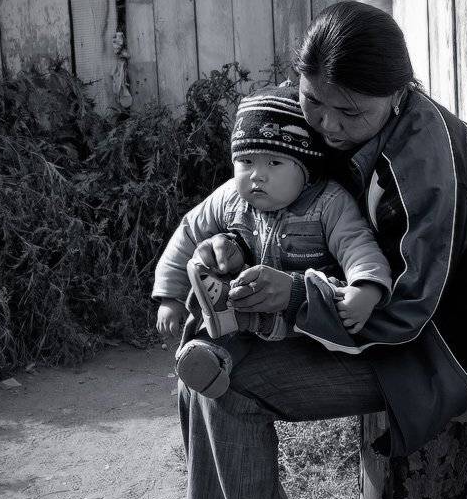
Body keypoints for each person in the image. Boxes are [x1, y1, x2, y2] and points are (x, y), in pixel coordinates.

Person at [169, 1, 467, 499]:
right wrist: (233, 253)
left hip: (439, 348)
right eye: (312, 102)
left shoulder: (428, 160)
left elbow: (411, 310)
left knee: (223, 385)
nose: (327, 126)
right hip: (369, 322)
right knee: (202, 363)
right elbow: (274, 213)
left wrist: (300, 296)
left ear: (401, 92)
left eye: (349, 113)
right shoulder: (333, 126)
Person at [153, 86, 392, 399]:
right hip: (244, 310)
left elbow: (357, 246)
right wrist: (170, 296)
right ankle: (208, 359)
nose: (257, 176)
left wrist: (366, 288)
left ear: (306, 170)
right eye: (247, 161)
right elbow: (188, 232)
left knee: (320, 296)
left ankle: (216, 356)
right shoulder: (229, 198)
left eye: (274, 163)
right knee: (218, 309)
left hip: (303, 322)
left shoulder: (329, 203)